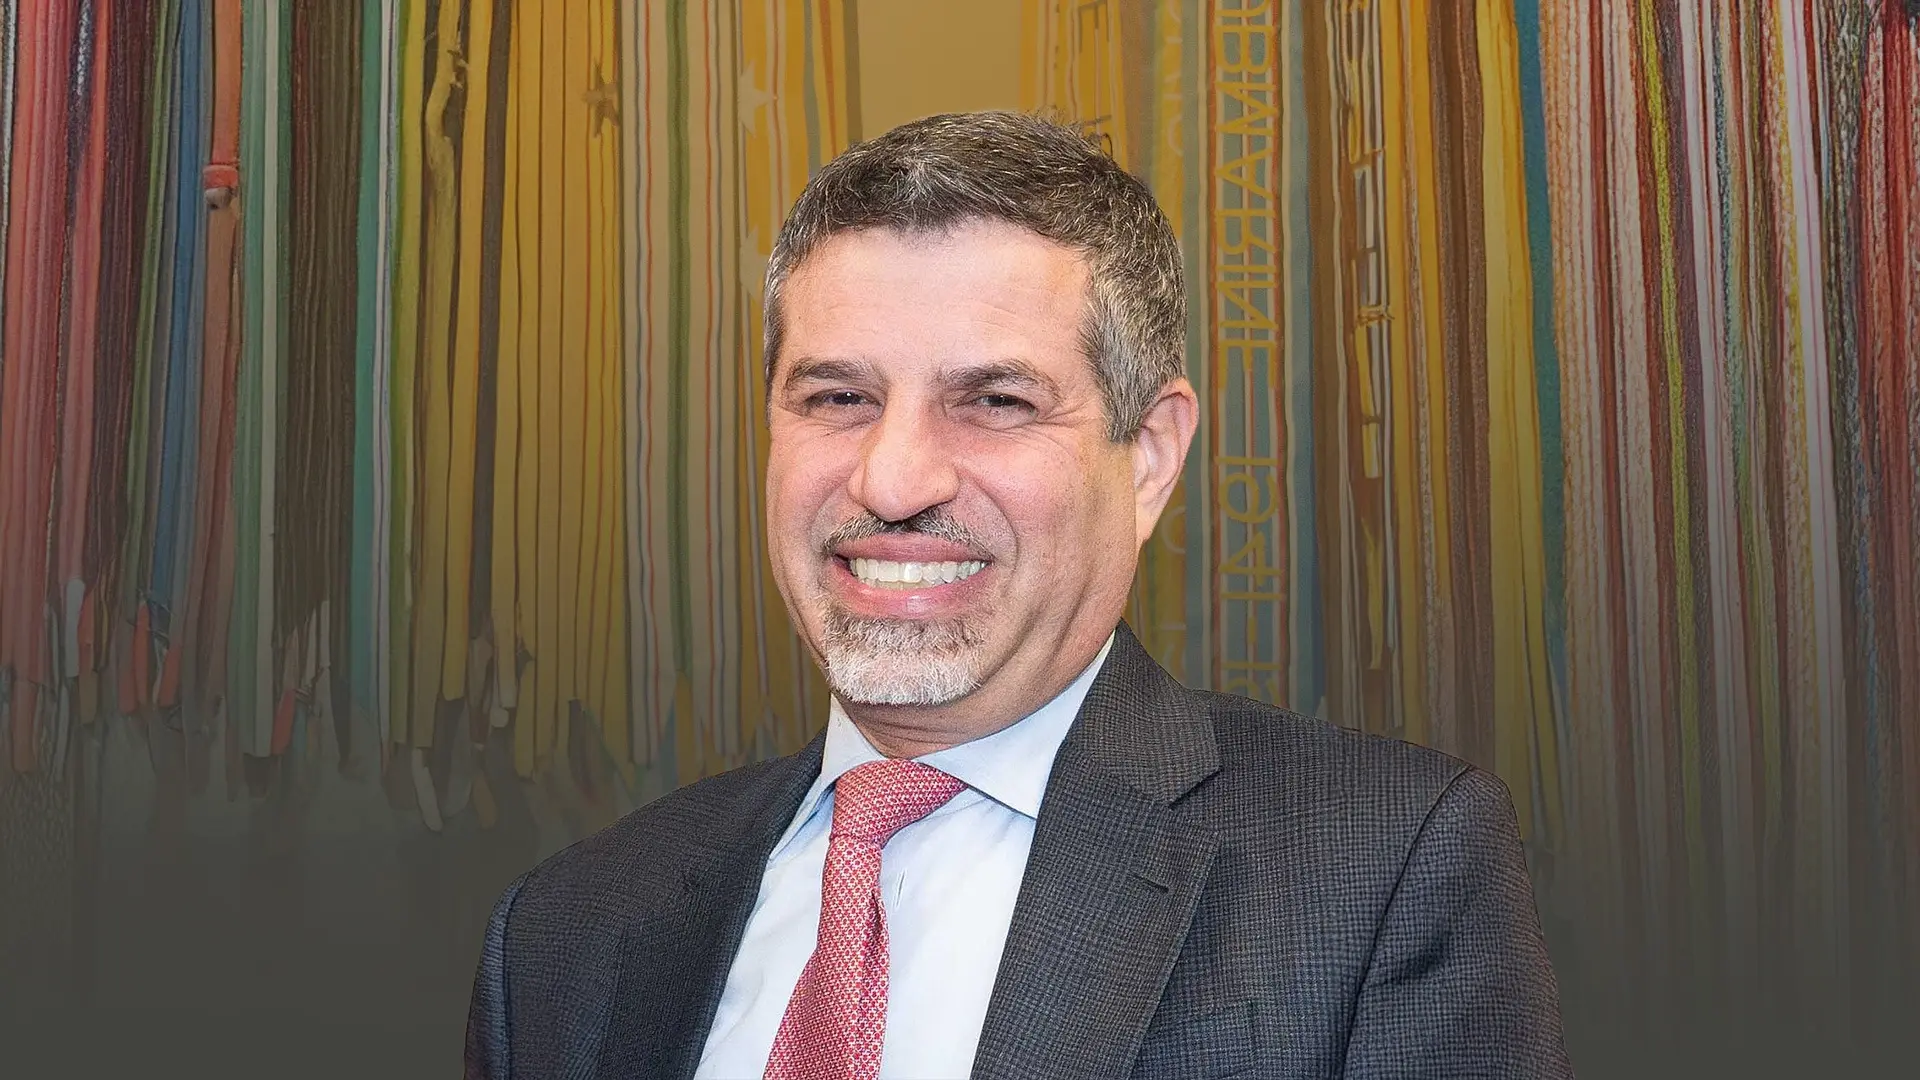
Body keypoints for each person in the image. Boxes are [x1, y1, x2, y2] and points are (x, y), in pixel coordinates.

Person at [463, 110, 1572, 1080]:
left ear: (1149, 457)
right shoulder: (566, 933)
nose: (894, 480)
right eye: (839, 397)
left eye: (994, 402)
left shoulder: (1383, 872)